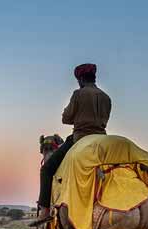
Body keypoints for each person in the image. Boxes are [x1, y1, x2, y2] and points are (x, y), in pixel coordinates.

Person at [38, 64, 112, 216]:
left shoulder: (78, 94)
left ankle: (44, 210)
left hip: (80, 138)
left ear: (80, 80)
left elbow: (66, 118)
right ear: (94, 78)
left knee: (46, 170)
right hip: (102, 140)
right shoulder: (106, 97)